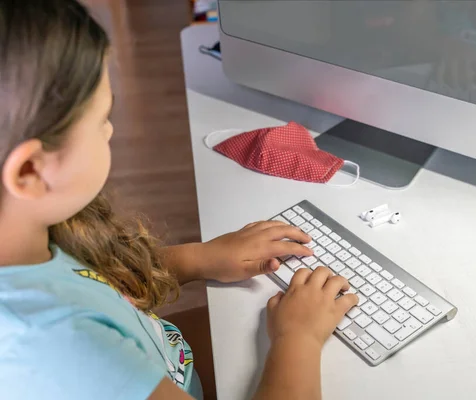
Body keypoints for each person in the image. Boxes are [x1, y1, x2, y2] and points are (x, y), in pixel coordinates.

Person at [0, 1, 358, 399]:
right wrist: (299, 338)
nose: (110, 130)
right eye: (102, 118)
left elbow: (99, 290)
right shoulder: (57, 347)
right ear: (30, 172)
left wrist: (198, 258)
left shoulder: (25, 245)